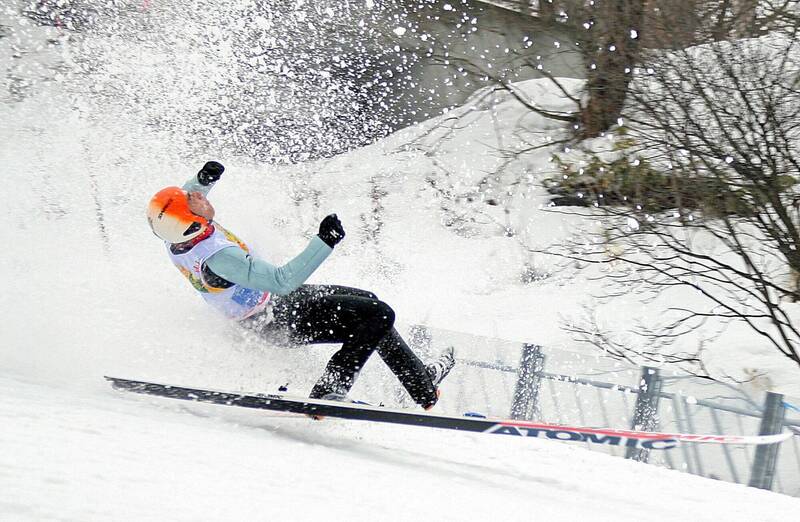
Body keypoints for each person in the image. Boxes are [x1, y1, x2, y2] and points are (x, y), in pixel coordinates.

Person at [146, 161, 454, 409]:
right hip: (276, 319)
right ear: (192, 221)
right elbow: (283, 281)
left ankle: (422, 388)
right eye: (194, 202)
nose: (197, 197)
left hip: (274, 306)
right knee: (378, 314)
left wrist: (202, 181)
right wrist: (325, 242)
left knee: (369, 303)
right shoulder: (220, 260)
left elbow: (179, 206)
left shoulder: (176, 237)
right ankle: (330, 390)